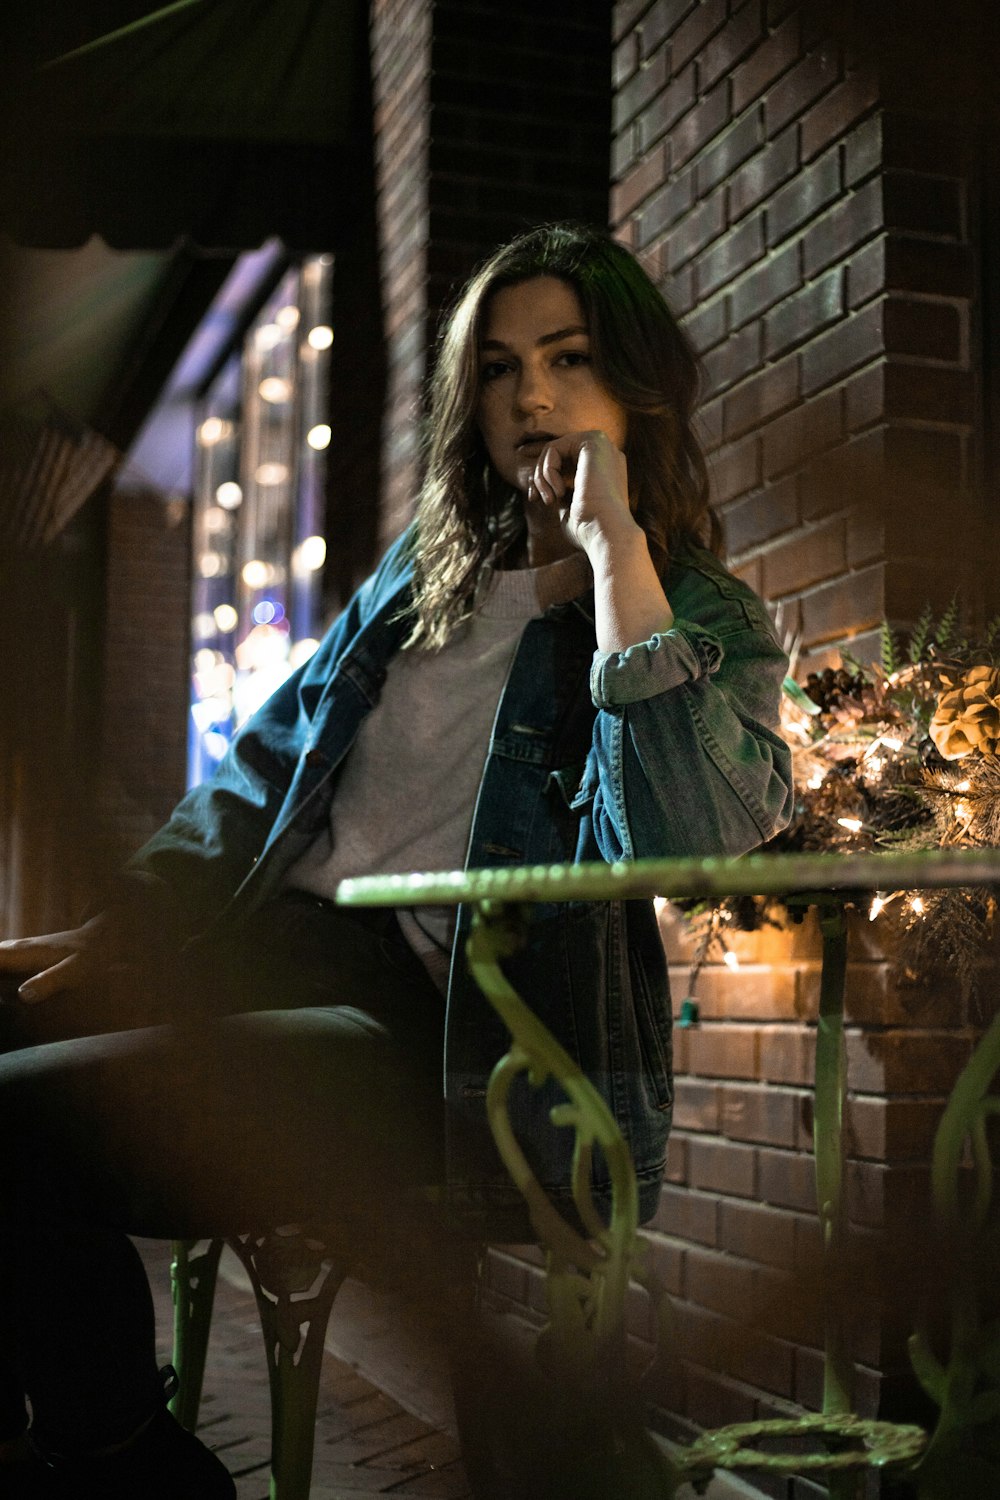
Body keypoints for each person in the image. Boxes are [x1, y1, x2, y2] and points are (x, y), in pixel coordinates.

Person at [0, 222, 794, 1498]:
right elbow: (257, 775)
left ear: (638, 384)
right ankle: (73, 1434)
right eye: (495, 367)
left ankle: (111, 1452)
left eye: (568, 357)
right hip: (255, 955)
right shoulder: (419, 583)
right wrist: (130, 928)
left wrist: (613, 549)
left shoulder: (695, 612)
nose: (529, 394)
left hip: (434, 1033)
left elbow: (685, 832)